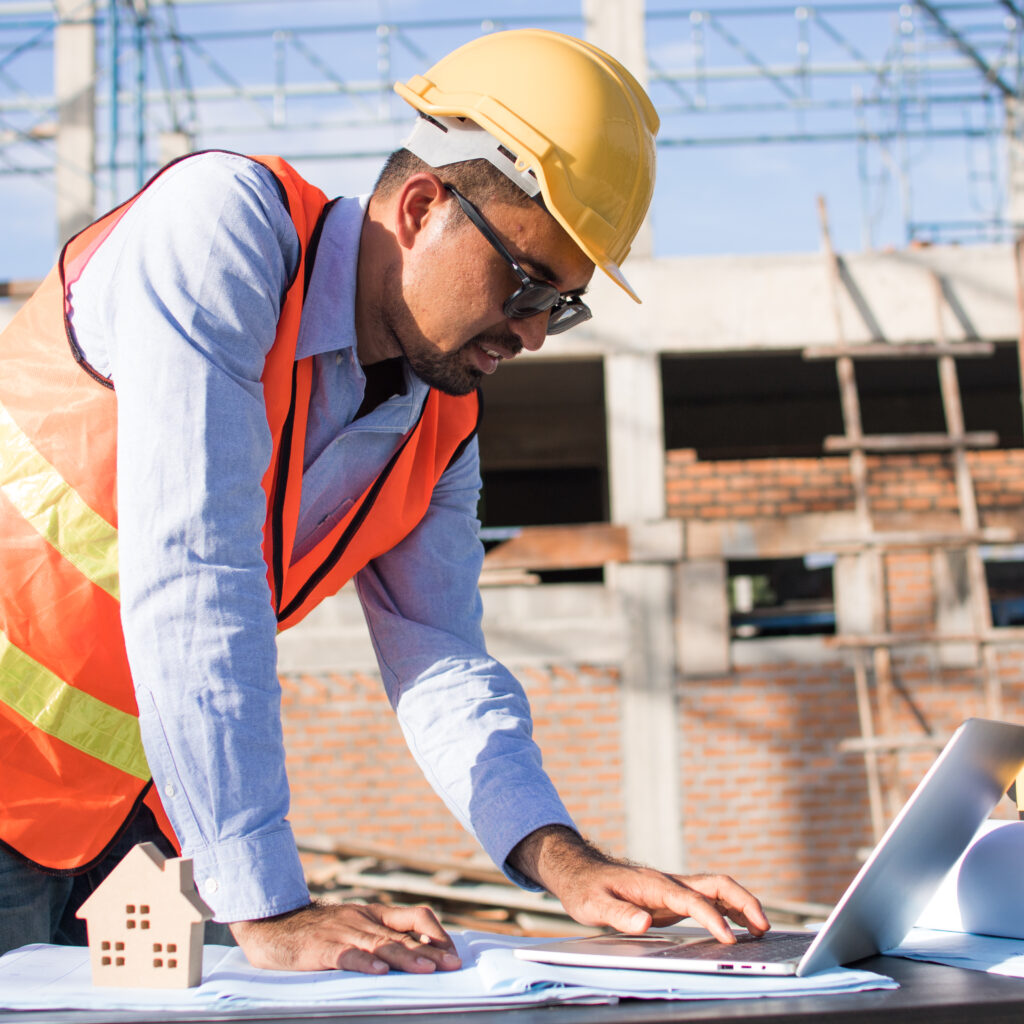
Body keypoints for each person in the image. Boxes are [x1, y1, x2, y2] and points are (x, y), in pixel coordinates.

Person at [0, 28, 770, 971]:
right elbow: (195, 565)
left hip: (97, 818)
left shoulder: (439, 422)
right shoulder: (220, 231)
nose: (532, 335)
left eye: (561, 306)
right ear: (418, 207)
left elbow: (441, 662)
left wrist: (561, 859)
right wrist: (270, 907)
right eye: (526, 284)